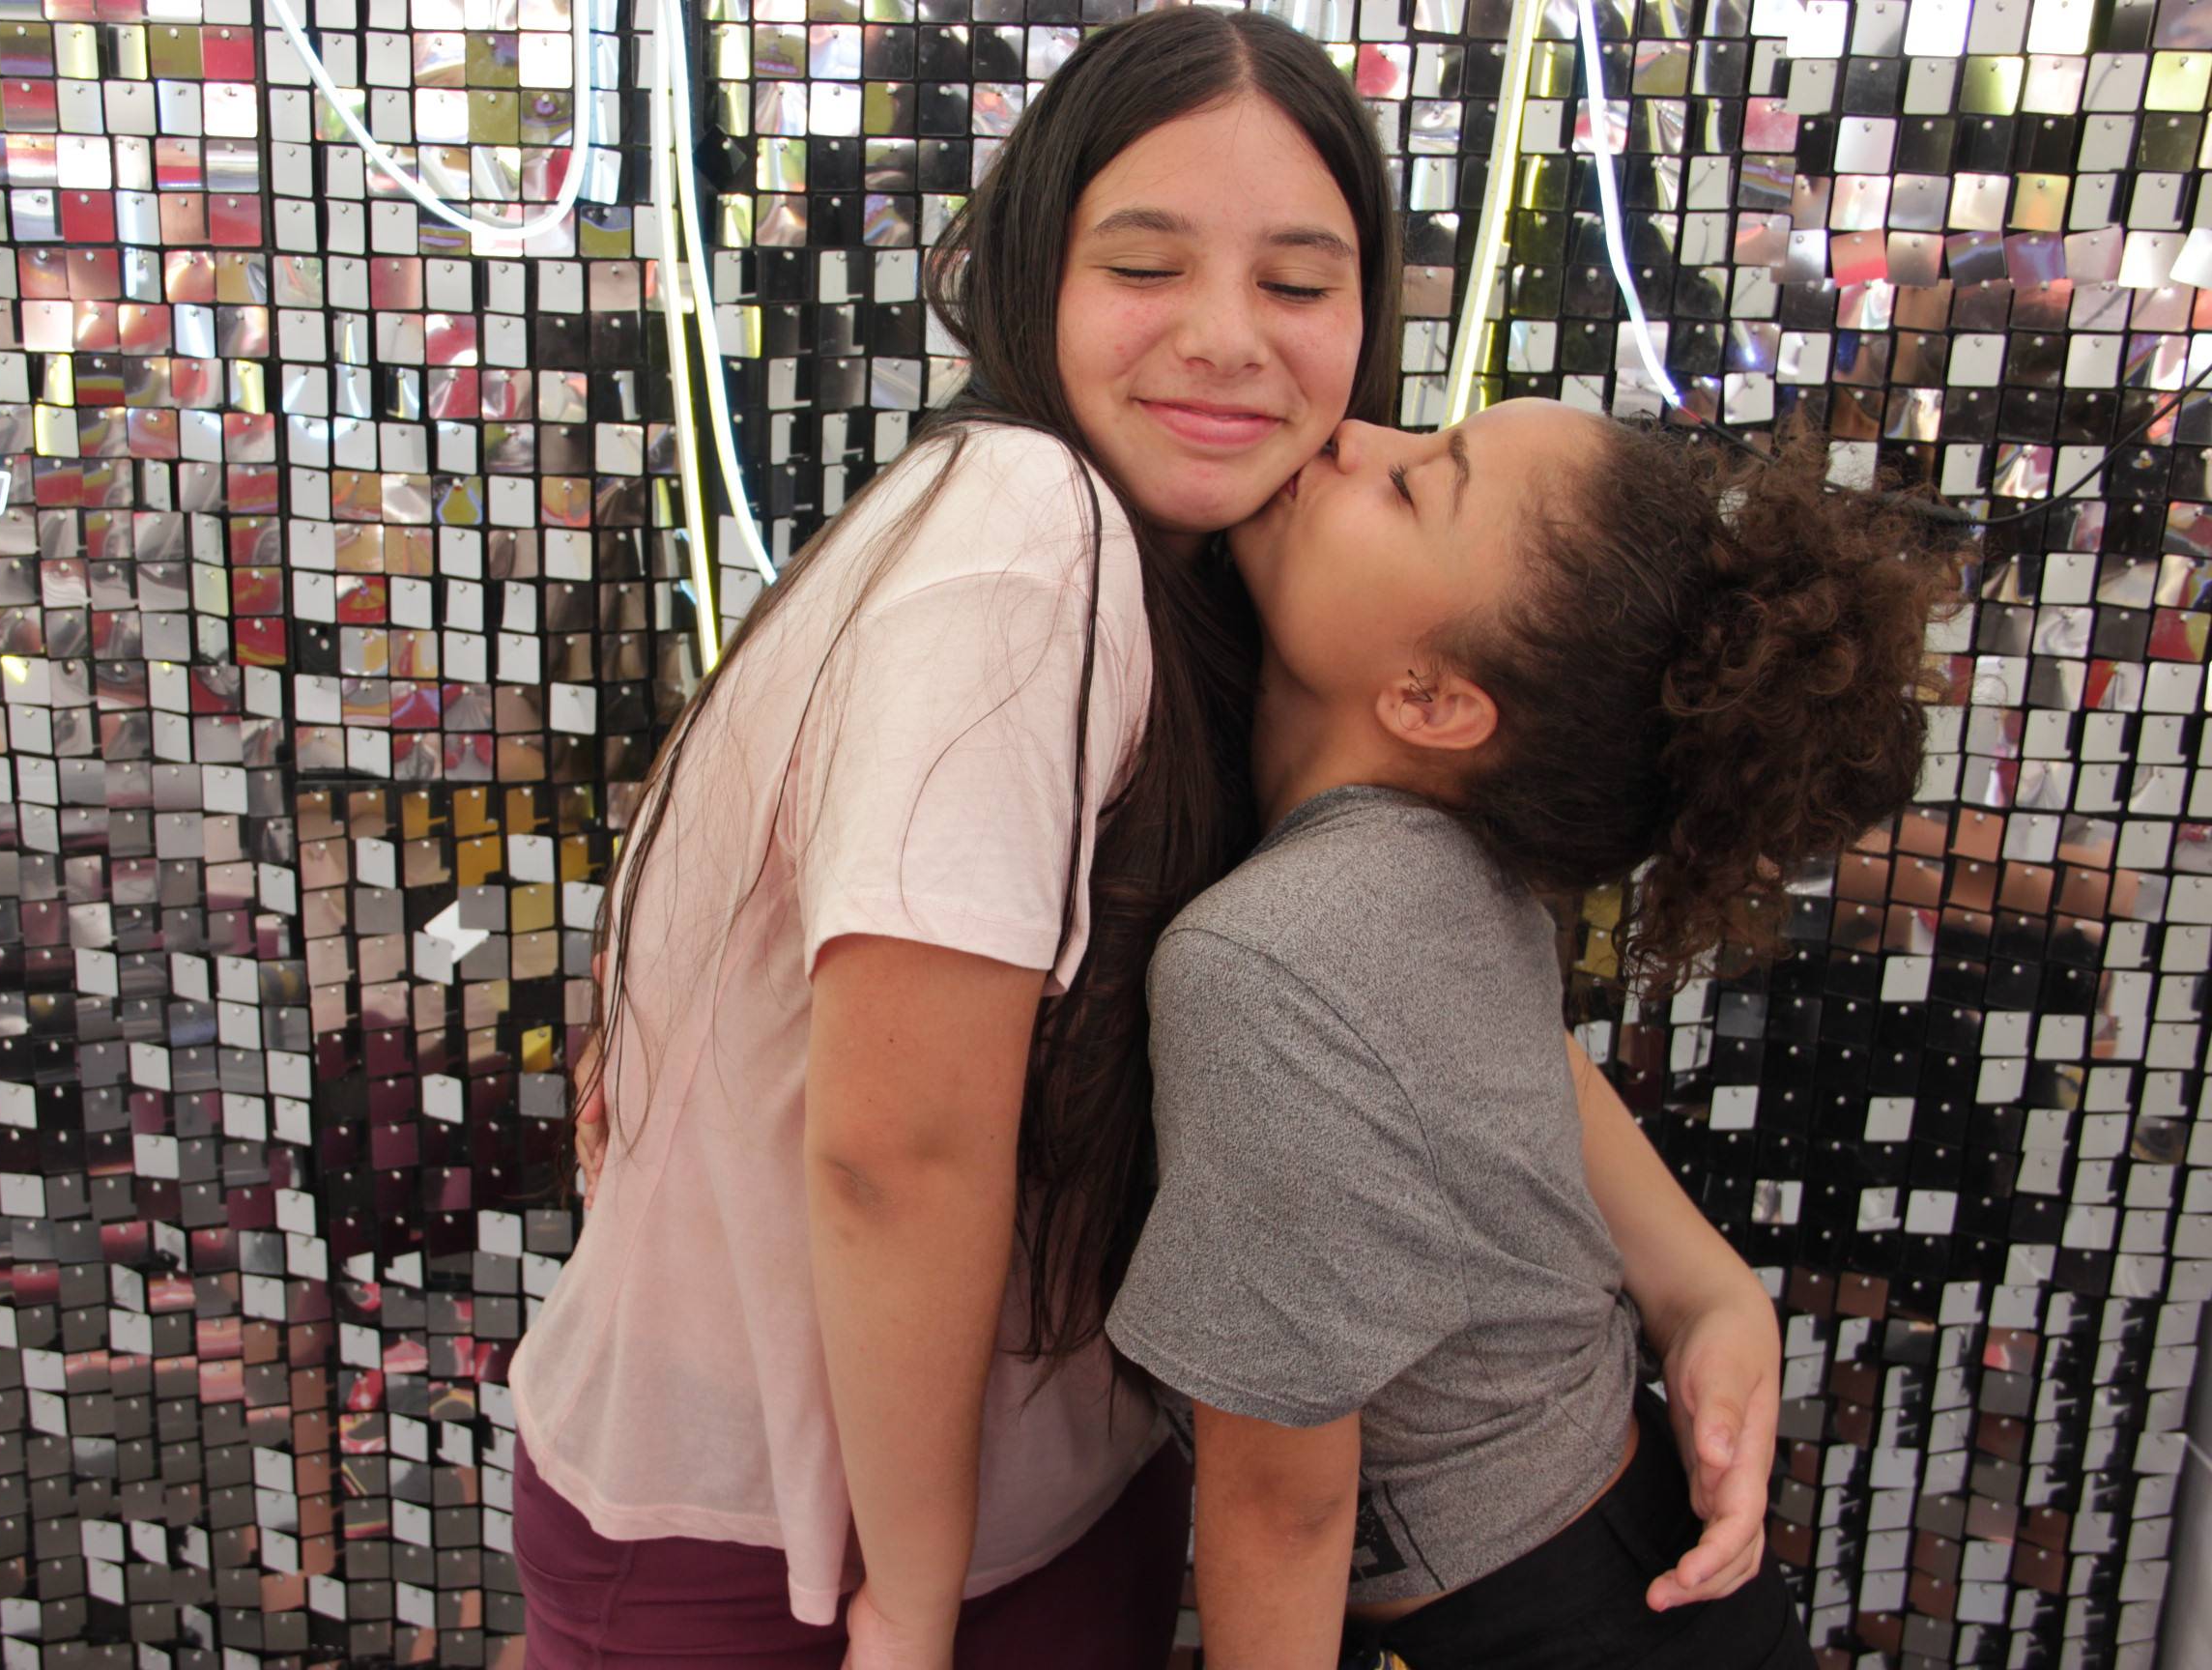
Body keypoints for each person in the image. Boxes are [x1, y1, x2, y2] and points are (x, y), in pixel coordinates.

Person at [517, 13, 1787, 1666]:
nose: (1226, 339)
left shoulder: (1250, 586)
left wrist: (1700, 1284)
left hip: (1046, 1503)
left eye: (1298, 282)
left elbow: (1434, 1012)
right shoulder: (1027, 534)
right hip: (812, 1549)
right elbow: (897, 1149)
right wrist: (910, 1597)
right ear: (1037, 267)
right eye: (1144, 265)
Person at [1106, 399, 1963, 1670]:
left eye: (1414, 485)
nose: (1351, 434)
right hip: (1629, 1570)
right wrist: (1712, 1292)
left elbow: (1285, 1507)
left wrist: (1712, 1296)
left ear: (1432, 698)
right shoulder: (1434, 871)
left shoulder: (1276, 956)